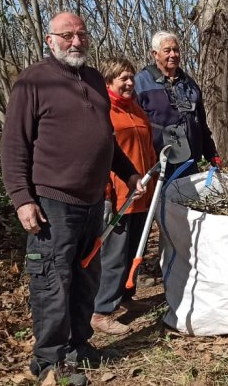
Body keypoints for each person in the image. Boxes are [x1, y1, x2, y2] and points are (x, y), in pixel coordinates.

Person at [1, 12, 146, 385]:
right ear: (50, 40)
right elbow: (14, 144)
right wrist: (22, 198)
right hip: (52, 202)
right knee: (52, 281)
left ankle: (78, 347)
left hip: (92, 202)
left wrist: (129, 174)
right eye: (67, 35)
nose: (76, 41)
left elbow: (105, 139)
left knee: (85, 278)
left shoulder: (95, 79)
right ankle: (50, 362)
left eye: (82, 34)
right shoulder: (33, 81)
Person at [90, 57, 158, 336]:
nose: (130, 83)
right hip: (119, 196)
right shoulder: (103, 111)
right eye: (123, 79)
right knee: (114, 255)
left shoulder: (137, 110)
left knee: (134, 250)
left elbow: (149, 150)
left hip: (142, 193)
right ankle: (101, 311)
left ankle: (126, 297)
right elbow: (99, 156)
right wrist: (106, 194)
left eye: (131, 77)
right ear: (109, 82)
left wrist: (153, 186)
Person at [134, 31, 221, 181]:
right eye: (167, 51)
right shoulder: (140, 84)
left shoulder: (189, 84)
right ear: (155, 54)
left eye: (176, 50)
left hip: (189, 162)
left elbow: (201, 124)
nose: (173, 55)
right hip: (157, 165)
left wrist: (211, 153)